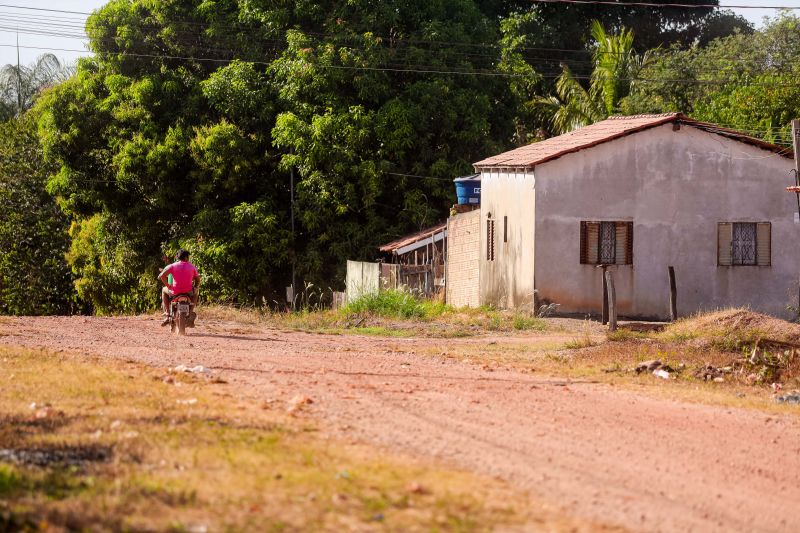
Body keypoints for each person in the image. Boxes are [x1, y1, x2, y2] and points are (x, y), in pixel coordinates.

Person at [158, 249, 201, 327]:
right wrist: (195, 286)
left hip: (175, 291)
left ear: (178, 257)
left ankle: (167, 314)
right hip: (188, 291)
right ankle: (190, 312)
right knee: (196, 292)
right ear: (186, 257)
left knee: (164, 290)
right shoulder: (192, 267)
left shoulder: (172, 266)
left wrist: (168, 286)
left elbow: (162, 276)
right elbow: (198, 280)